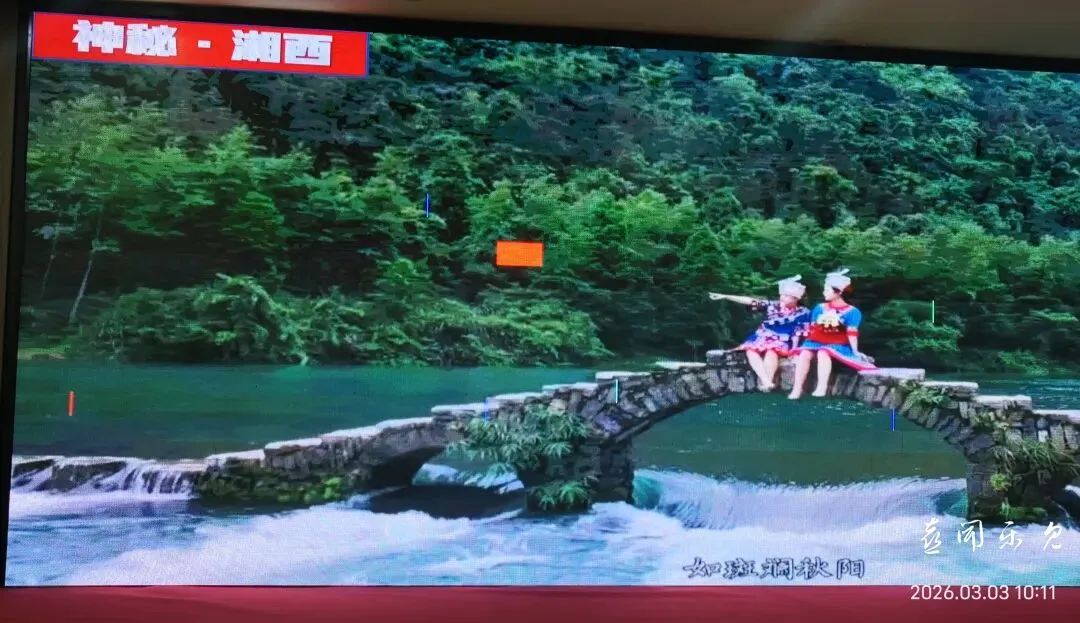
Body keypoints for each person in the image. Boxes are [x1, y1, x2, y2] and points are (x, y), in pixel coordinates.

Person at [709, 275, 811, 391]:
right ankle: (766, 381)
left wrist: (794, 350)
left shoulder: (803, 312)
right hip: (762, 336)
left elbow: (800, 332)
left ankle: (767, 382)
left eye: (787, 296)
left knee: (771, 351)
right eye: (782, 294)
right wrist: (726, 296)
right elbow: (750, 301)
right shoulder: (773, 305)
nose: (783, 298)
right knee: (750, 350)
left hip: (783, 340)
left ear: (796, 298)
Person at [788, 268, 877, 400]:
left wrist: (855, 351)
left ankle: (822, 387)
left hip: (837, 344)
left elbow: (852, 332)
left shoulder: (852, 311)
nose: (824, 292)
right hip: (815, 341)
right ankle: (797, 389)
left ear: (838, 292)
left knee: (823, 352)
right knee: (805, 353)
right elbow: (812, 327)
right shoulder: (820, 308)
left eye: (827, 290)